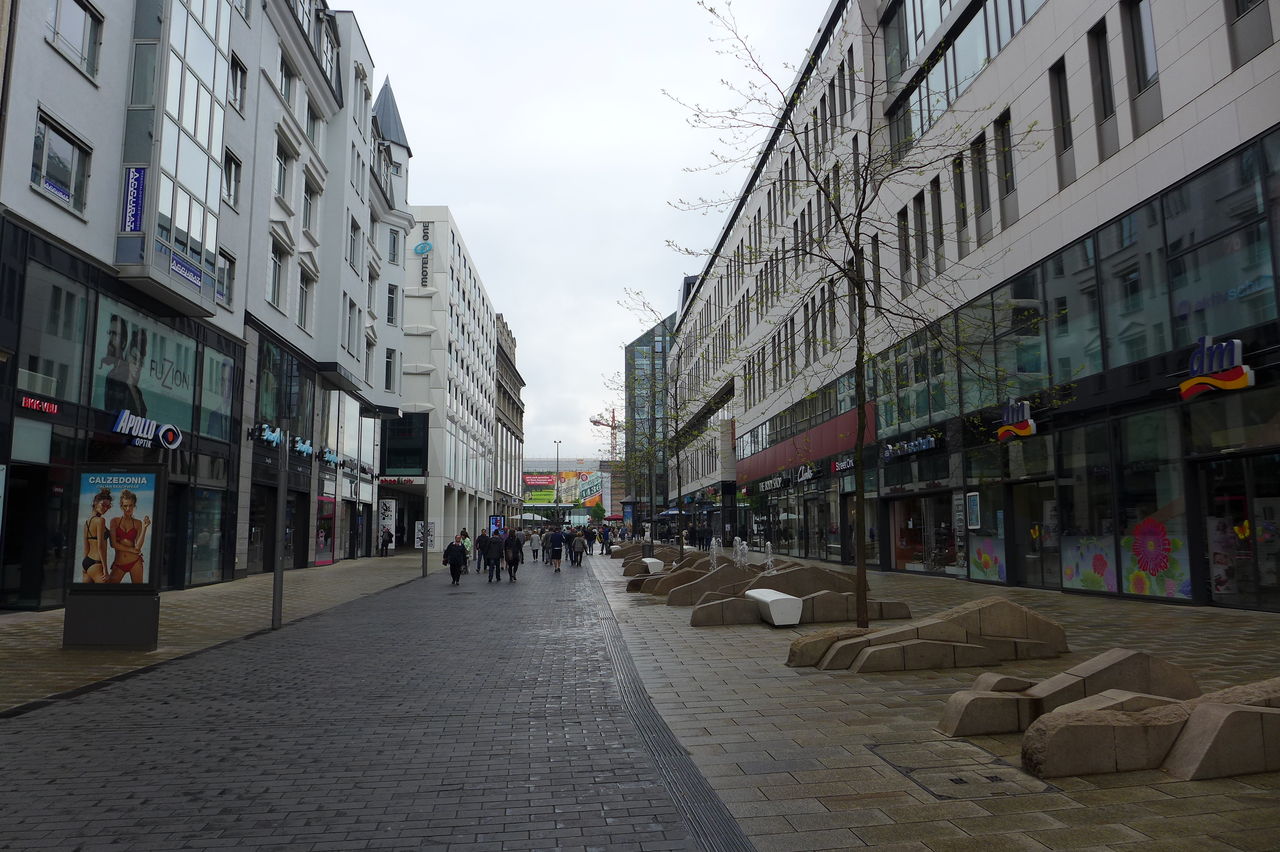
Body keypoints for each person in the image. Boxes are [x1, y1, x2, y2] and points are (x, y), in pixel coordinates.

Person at [108, 489, 151, 584]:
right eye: (125, 506)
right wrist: (132, 550)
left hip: (135, 562)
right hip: (119, 563)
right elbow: (113, 544)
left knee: (137, 591)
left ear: (134, 506)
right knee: (109, 589)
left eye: (130, 505)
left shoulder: (138, 523)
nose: (128, 509)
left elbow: (138, 547)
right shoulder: (114, 521)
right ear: (121, 506)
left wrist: (144, 528)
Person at [81, 488, 113, 583]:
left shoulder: (87, 522)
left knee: (85, 593)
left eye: (108, 506)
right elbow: (100, 547)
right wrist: (105, 570)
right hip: (97, 564)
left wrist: (84, 567)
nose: (105, 508)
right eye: (103, 505)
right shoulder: (100, 521)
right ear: (95, 502)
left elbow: (86, 547)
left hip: (87, 563)